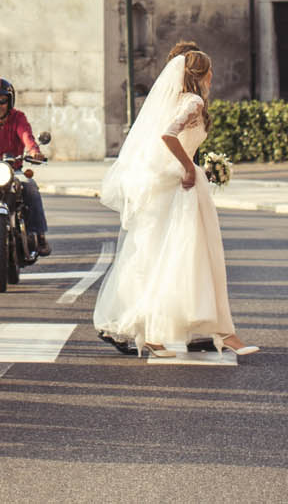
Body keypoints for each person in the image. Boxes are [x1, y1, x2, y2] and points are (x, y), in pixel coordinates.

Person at [93, 48, 255, 356]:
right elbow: (169, 137)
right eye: (210, 71)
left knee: (171, 258)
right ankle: (208, 333)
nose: (213, 77)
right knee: (190, 257)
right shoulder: (192, 102)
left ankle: (191, 333)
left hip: (175, 188)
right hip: (183, 189)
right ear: (202, 75)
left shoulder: (176, 101)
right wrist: (188, 167)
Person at [0, 77, 49, 257]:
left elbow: (27, 136)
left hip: (14, 169)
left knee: (31, 187)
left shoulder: (18, 117)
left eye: (2, 101)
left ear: (9, 102)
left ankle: (39, 234)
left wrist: (34, 151)